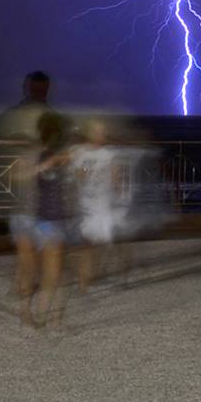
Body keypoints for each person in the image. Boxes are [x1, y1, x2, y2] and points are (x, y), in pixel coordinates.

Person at [0, 71, 60, 299]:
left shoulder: (49, 115)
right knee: (26, 234)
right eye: (37, 88)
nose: (40, 92)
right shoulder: (19, 113)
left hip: (41, 184)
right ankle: (24, 281)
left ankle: (26, 282)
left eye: (43, 89)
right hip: (24, 182)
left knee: (35, 235)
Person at [23, 111, 74, 329]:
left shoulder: (50, 157)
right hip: (51, 219)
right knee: (54, 273)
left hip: (45, 218)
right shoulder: (52, 158)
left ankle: (47, 315)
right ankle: (46, 316)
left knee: (52, 271)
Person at [70, 119, 121, 291]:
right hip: (86, 205)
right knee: (87, 245)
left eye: (103, 131)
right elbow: (76, 176)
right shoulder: (80, 152)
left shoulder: (109, 153)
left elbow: (116, 179)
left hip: (103, 205)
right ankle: (84, 281)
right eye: (98, 131)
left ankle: (92, 275)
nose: (102, 135)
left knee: (100, 243)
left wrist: (117, 196)